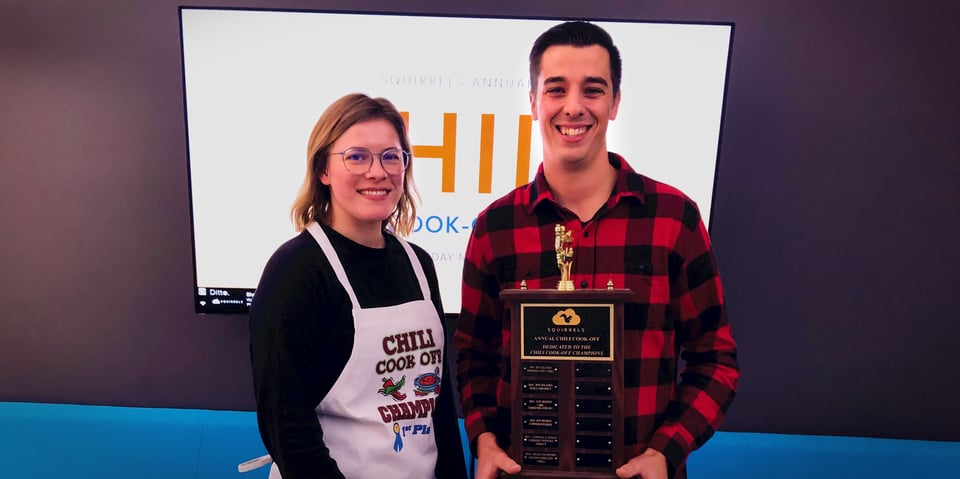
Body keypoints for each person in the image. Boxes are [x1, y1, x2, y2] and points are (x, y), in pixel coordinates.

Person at [454, 21, 740, 479]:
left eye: (592, 90)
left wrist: (664, 452)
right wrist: (484, 440)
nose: (573, 107)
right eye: (556, 89)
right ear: (532, 102)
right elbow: (474, 358)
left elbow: (715, 359)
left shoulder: (673, 218)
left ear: (614, 103)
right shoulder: (495, 228)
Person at [249, 93, 467, 479]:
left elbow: (440, 404)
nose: (377, 172)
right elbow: (286, 422)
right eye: (356, 156)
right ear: (323, 171)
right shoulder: (296, 270)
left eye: (391, 156)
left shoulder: (419, 264)